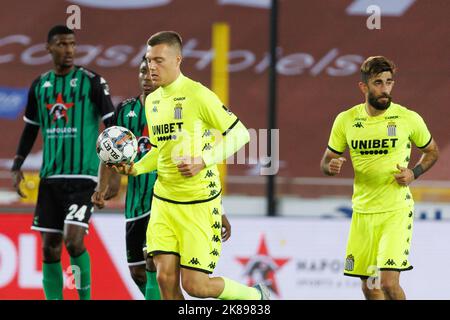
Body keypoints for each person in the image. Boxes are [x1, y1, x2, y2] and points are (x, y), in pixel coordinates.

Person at [112, 31, 269, 300]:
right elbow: (160, 151)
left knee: (196, 286)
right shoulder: (153, 101)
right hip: (164, 202)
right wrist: (136, 168)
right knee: (163, 277)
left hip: (198, 204)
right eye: (149, 60)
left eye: (159, 60)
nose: (152, 67)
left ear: (178, 60)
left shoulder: (198, 95)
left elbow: (241, 134)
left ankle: (257, 298)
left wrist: (203, 161)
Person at [320, 56, 439, 300]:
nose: (385, 89)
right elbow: (326, 160)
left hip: (395, 210)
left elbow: (432, 151)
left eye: (389, 82)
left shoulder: (407, 118)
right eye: (378, 83)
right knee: (370, 287)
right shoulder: (346, 120)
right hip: (363, 212)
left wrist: (413, 173)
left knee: (387, 283)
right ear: (363, 87)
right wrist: (329, 166)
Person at [11, 25, 115, 300]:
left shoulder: (92, 82)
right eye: (61, 44)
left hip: (84, 177)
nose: (68, 50)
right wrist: (18, 163)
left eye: (72, 44)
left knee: (73, 240)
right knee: (50, 248)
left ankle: (85, 298)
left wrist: (112, 173)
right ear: (49, 48)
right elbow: (31, 128)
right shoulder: (40, 85)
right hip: (51, 179)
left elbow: (112, 126)